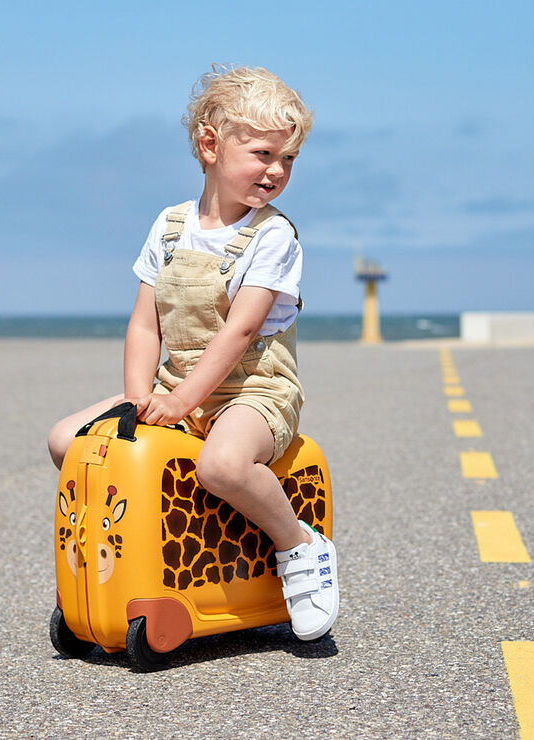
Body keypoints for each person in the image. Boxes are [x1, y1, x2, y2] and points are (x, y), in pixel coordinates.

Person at [47, 65, 339, 642]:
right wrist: (139, 399)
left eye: (288, 160)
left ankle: (301, 547)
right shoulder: (170, 226)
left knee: (223, 465)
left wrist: (181, 400)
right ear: (210, 144)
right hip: (176, 390)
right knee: (67, 439)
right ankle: (129, 564)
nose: (276, 171)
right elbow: (143, 323)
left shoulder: (273, 236)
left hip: (253, 393)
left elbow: (237, 334)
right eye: (262, 154)